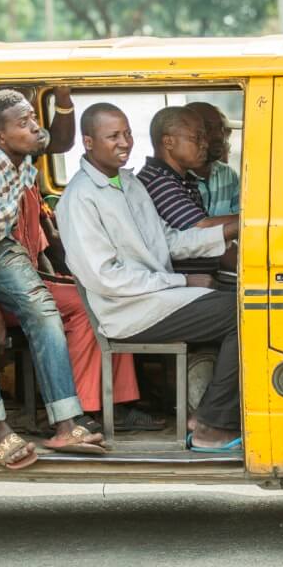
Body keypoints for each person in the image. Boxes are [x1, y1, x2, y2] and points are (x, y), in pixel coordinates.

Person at [0, 106, 155, 432]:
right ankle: (83, 406)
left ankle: (116, 400)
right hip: (0, 292)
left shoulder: (26, 181)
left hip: (29, 279)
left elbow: (47, 245)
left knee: (107, 293)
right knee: (85, 304)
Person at [57, 103, 243, 452]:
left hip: (157, 297)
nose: (124, 142)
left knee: (248, 303)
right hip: (128, 311)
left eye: (127, 133)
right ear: (88, 142)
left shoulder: (128, 183)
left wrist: (231, 228)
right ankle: (211, 425)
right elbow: (107, 278)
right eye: (113, 136)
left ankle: (209, 414)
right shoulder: (80, 197)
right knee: (244, 316)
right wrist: (181, 282)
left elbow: (168, 240)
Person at [0, 89, 106, 470]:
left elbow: (61, 140)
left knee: (43, 310)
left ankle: (65, 424)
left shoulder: (21, 147)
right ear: (0, 137)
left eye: (33, 118)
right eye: (25, 122)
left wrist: (62, 97)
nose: (35, 127)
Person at [136, 106, 238, 238]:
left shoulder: (183, 179)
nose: (205, 144)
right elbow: (200, 228)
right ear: (168, 142)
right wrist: (251, 221)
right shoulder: (158, 181)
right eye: (197, 138)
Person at [185, 102, 240, 216]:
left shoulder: (228, 174)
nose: (219, 135)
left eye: (220, 128)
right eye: (207, 128)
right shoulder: (175, 178)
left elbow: (241, 218)